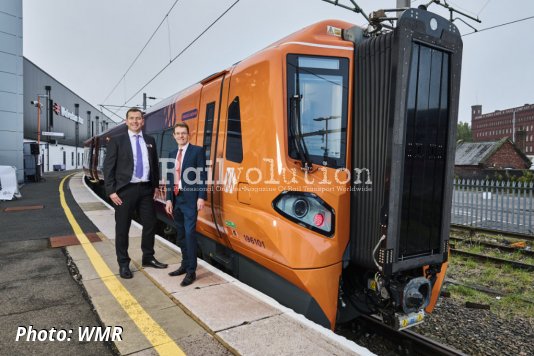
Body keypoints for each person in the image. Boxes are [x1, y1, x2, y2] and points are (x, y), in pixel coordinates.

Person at [103, 107, 168, 279]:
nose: (135, 121)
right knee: (123, 228)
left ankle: (148, 257)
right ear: (126, 121)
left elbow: (154, 164)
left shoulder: (150, 140)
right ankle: (123, 263)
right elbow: (108, 167)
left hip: (146, 189)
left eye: (138, 118)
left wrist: (155, 185)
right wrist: (111, 191)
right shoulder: (117, 141)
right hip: (125, 190)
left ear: (142, 121)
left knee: (150, 224)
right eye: (131, 118)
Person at [165, 122, 207, 286]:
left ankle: (191, 271)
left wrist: (201, 197)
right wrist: (168, 198)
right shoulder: (171, 153)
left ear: (188, 134)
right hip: (176, 199)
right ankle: (184, 264)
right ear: (174, 136)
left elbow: (202, 175)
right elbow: (170, 178)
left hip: (190, 199)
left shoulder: (197, 151)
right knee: (181, 234)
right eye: (178, 133)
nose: (181, 136)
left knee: (190, 234)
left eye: (183, 133)